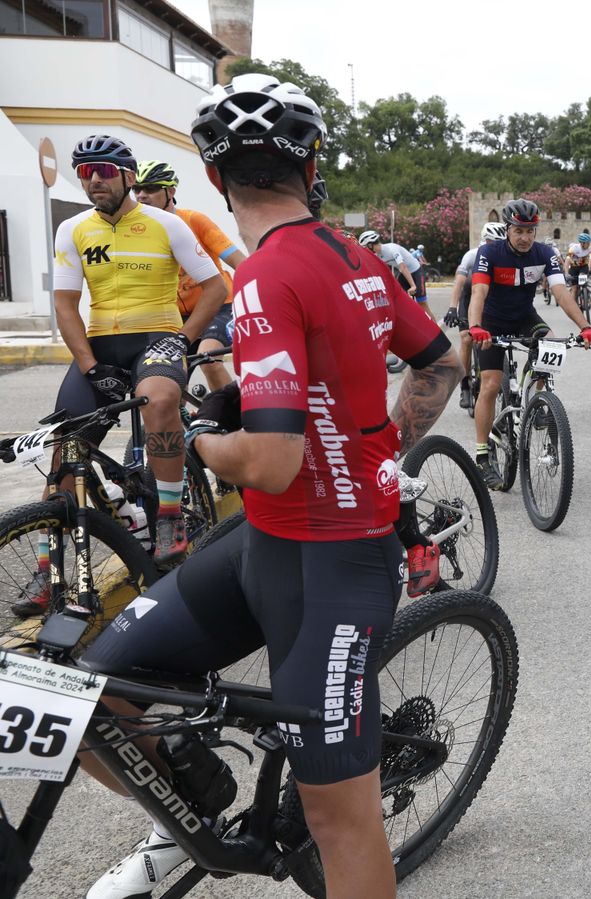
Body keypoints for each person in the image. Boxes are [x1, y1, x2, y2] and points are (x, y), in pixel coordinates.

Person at [75, 72, 463, 899]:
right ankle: (191, 818)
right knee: (90, 700)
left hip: (333, 563)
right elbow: (442, 360)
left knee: (338, 817)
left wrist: (199, 434)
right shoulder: (355, 251)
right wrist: (383, 451)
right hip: (271, 543)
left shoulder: (263, 277)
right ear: (311, 162)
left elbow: (273, 461)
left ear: (214, 175)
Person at [46, 135, 228, 570]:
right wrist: (90, 367)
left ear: (127, 176)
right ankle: (48, 565)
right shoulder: (73, 229)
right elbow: (65, 305)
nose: (94, 181)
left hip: (157, 339)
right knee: (65, 450)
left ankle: (168, 517)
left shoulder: (167, 224)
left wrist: (182, 341)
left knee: (162, 400)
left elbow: (215, 287)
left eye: (105, 171)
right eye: (86, 173)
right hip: (100, 345)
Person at [467, 198, 591, 487]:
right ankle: (482, 456)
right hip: (491, 321)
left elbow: (562, 293)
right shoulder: (489, 252)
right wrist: (476, 326)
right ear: (508, 229)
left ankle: (538, 396)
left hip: (525, 316)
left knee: (550, 342)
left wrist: (585, 326)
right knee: (490, 384)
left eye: (530, 231)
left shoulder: (545, 253)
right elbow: (478, 291)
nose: (525, 237)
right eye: (519, 231)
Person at [131, 159, 247, 392]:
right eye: (137, 189)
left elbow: (239, 262)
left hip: (219, 307)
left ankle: (230, 416)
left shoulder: (194, 220)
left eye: (151, 188)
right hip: (176, 316)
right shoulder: (136, 232)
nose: (142, 195)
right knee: (168, 375)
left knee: (208, 357)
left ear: (170, 191)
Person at [452, 221, 508, 408]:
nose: (496, 248)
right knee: (467, 339)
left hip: (492, 299)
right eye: (492, 243)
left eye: (500, 243)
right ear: (484, 241)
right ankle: (465, 385)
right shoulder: (472, 255)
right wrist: (453, 308)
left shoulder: (507, 256)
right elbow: (459, 283)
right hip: (469, 298)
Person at [358, 229, 426, 313]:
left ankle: (434, 326)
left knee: (422, 303)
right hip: (404, 273)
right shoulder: (377, 255)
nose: (366, 251)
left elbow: (403, 267)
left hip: (416, 270)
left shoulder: (391, 249)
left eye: (366, 248)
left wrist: (413, 286)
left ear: (370, 245)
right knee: (397, 299)